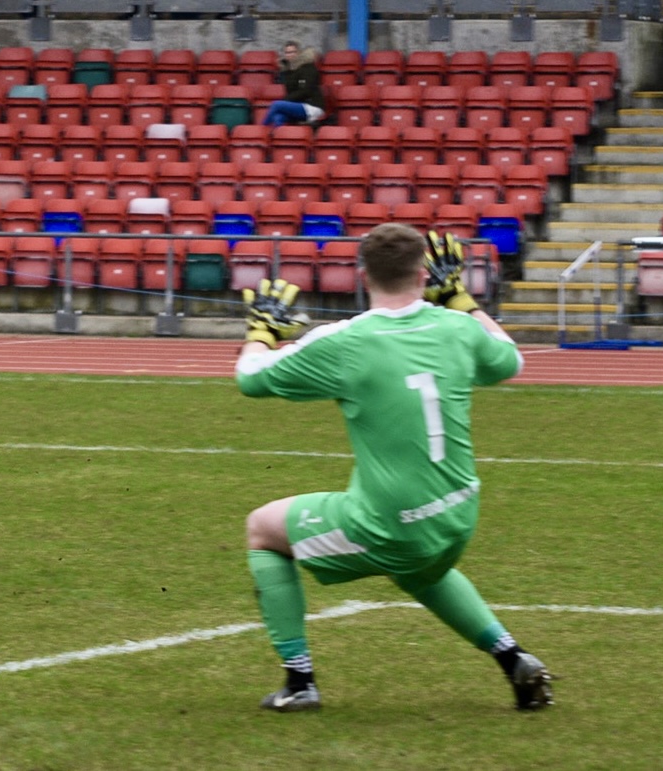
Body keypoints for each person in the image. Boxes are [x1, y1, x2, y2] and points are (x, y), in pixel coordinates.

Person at [235, 225, 554, 713]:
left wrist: (262, 331)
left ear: (362, 276)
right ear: (424, 274)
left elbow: (251, 379)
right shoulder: (458, 327)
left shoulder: (344, 341)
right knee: (420, 570)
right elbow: (512, 360)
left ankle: (299, 682)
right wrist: (461, 298)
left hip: (392, 522)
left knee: (261, 529)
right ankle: (513, 659)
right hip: (459, 513)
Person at [263, 42, 325, 126]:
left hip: (311, 106)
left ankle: (261, 129)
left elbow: (305, 90)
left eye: (293, 52)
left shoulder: (307, 68)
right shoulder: (290, 71)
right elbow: (290, 90)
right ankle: (279, 137)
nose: (290, 55)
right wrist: (286, 70)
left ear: (299, 53)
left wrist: (285, 100)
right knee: (278, 117)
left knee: (276, 105)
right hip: (297, 105)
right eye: (287, 53)